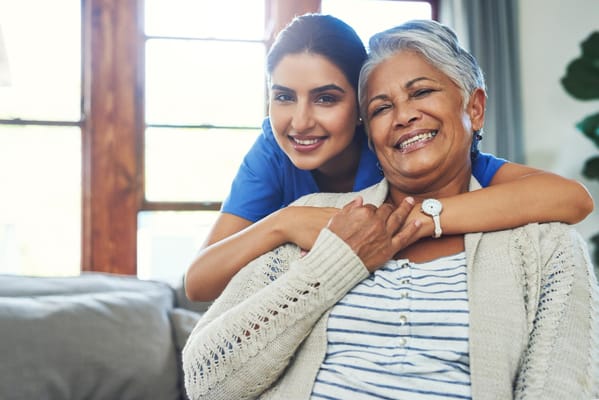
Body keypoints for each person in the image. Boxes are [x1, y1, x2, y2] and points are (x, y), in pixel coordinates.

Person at [182, 19, 599, 400]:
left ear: (474, 107)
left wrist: (416, 220)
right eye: (381, 107)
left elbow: (571, 198)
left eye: (421, 92)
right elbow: (207, 368)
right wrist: (297, 231)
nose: (302, 121)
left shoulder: (541, 242)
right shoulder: (288, 181)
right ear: (368, 127)